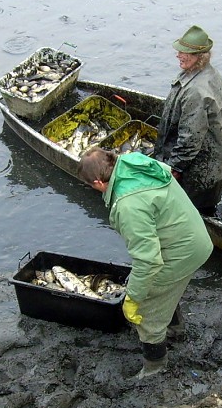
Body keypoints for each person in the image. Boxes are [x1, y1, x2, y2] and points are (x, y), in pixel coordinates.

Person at [78, 147, 213, 379]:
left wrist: (134, 298)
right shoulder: (133, 163)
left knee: (147, 306)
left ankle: (155, 367)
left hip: (182, 251)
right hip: (194, 236)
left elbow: (148, 260)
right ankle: (175, 330)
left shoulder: (127, 205)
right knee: (165, 288)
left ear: (99, 182)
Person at [153, 25, 222, 214]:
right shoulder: (204, 72)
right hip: (214, 157)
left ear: (200, 57)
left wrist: (174, 168)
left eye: (184, 53)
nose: (179, 55)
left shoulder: (196, 91)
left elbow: (190, 140)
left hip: (200, 168)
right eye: (179, 51)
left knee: (193, 208)